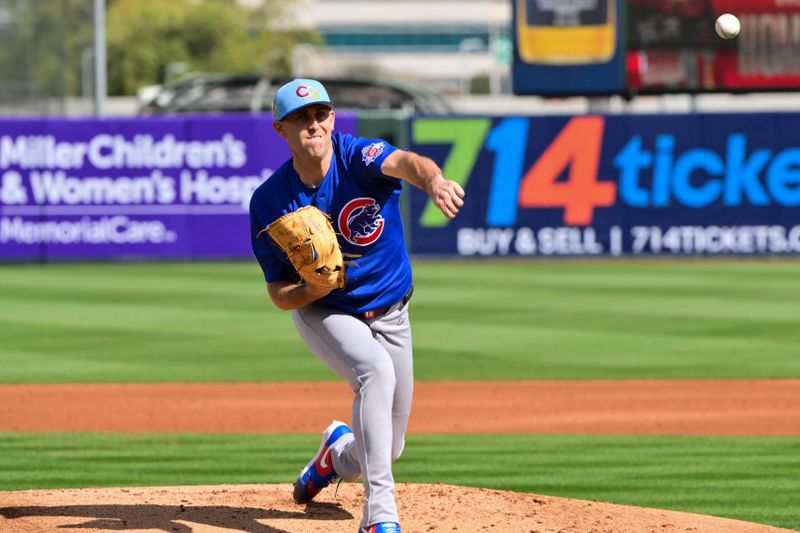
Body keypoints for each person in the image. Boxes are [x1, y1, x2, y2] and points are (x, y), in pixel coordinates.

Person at [249, 78, 464, 533]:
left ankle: (335, 457)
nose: (314, 124)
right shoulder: (269, 200)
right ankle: (380, 516)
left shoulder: (357, 157)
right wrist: (313, 288)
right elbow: (278, 295)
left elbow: (407, 162)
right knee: (375, 373)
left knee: (387, 447)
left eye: (320, 114)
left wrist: (435, 181)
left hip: (391, 310)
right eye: (300, 118)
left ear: (332, 117)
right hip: (325, 312)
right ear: (280, 129)